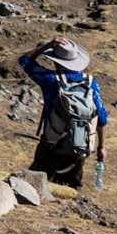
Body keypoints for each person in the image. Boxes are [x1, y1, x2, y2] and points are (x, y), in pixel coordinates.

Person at [21, 37, 109, 188]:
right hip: (80, 144)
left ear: (55, 61)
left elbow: (25, 60)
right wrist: (101, 146)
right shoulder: (90, 82)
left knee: (35, 185)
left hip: (52, 142)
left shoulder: (50, 79)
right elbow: (101, 116)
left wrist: (47, 46)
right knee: (70, 187)